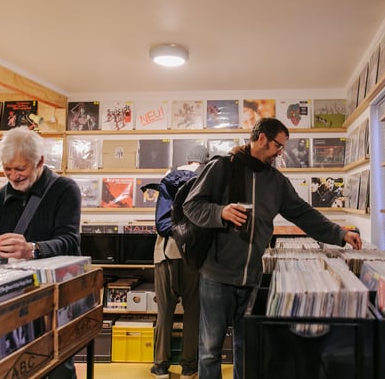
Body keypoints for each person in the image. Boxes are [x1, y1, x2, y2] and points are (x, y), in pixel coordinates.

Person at [182, 118, 362, 379]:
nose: (281, 152)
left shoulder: (276, 181)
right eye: (279, 145)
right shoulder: (221, 167)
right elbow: (191, 206)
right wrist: (221, 212)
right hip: (216, 277)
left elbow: (304, 214)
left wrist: (340, 234)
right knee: (210, 351)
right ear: (263, 138)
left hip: (252, 279)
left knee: (247, 349)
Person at [0, 126, 82, 379]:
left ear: (40, 162)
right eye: (7, 169)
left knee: (58, 361)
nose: (13, 177)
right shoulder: (1, 195)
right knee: (16, 359)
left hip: (55, 291)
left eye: (20, 169)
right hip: (14, 291)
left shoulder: (65, 189)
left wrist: (32, 249)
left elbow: (70, 240)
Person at [151, 145, 210, 379]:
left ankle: (160, 367)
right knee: (192, 313)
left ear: (187, 159)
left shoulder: (168, 177)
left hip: (165, 254)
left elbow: (161, 223)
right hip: (193, 258)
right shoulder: (206, 179)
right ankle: (189, 367)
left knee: (164, 313)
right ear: (205, 161)